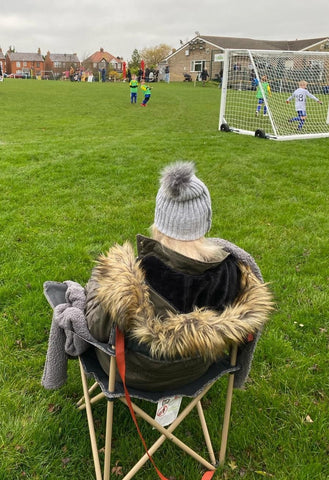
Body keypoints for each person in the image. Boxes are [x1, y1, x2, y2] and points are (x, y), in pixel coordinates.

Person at [85, 161, 272, 391]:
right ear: (205, 221)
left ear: (160, 220)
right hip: (196, 370)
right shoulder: (234, 274)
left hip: (130, 372)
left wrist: (97, 285)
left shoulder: (133, 278)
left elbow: (96, 327)